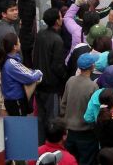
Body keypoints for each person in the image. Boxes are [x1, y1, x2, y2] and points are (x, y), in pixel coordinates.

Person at [34, 8, 69, 143]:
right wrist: (65, 75)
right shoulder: (57, 40)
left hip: (39, 83)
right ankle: (52, 145)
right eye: (61, 16)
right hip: (52, 86)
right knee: (52, 119)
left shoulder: (40, 35)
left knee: (41, 117)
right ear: (57, 21)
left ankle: (40, 144)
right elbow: (57, 66)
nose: (62, 19)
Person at [61, 53, 99, 165]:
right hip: (86, 133)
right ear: (92, 67)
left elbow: (63, 105)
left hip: (70, 132)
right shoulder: (93, 86)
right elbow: (94, 112)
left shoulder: (70, 81)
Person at [0, 32, 43, 116]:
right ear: (14, 47)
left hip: (11, 100)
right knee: (19, 125)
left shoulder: (7, 60)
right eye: (18, 42)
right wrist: (39, 73)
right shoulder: (11, 63)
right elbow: (30, 77)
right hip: (16, 101)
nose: (20, 43)